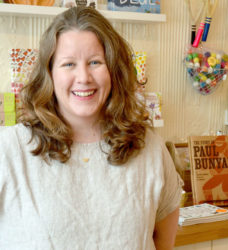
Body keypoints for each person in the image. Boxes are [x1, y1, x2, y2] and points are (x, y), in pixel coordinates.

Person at [0, 7, 183, 250]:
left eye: (95, 62)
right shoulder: (10, 149)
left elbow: (163, 243)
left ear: (114, 70)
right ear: (49, 74)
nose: (83, 77)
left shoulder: (150, 148)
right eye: (68, 64)